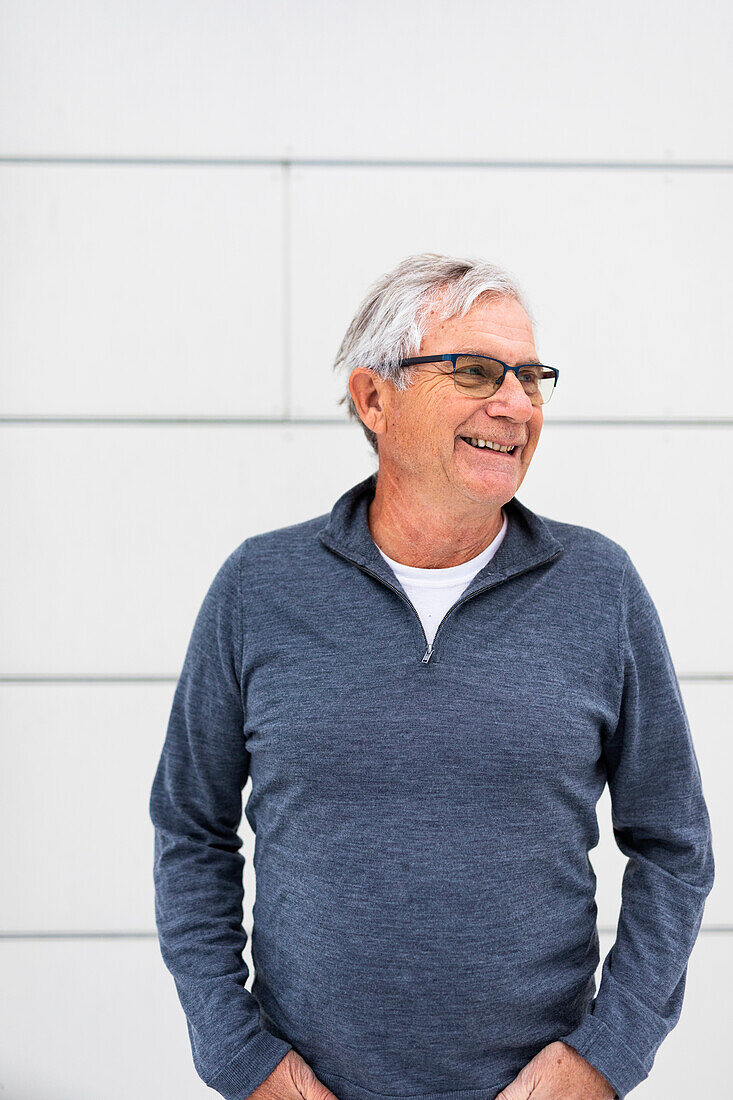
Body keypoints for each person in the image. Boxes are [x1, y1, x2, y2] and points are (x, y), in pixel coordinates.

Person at [149, 253, 715, 1100]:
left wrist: (607, 1056)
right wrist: (240, 1057)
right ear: (374, 398)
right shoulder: (258, 588)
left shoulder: (600, 588)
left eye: (530, 378)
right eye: (477, 371)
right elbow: (190, 832)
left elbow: (674, 848)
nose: (516, 404)